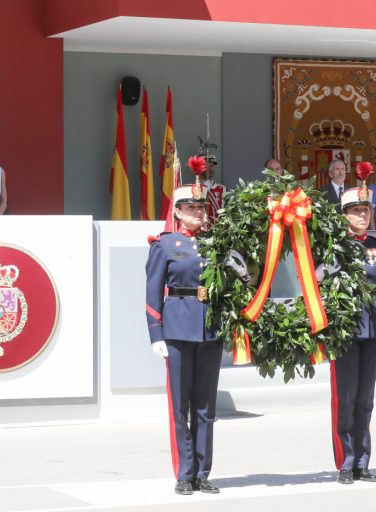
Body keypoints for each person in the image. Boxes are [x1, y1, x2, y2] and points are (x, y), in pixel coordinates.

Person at [145, 177, 223, 496]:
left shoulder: (215, 243)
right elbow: (152, 290)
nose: (197, 212)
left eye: (200, 207)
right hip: (177, 329)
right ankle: (184, 471)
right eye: (190, 207)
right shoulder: (164, 244)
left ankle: (203, 472)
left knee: (205, 405)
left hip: (209, 329)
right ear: (177, 212)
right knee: (181, 405)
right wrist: (155, 333)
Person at [331, 184, 376, 484]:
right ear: (344, 215)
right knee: (346, 397)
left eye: (366, 210)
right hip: (345, 329)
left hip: (375, 330)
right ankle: (345, 461)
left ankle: (363, 462)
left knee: (366, 399)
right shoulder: (334, 246)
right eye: (356, 210)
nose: (362, 215)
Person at [200, 153, 225, 224]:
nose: (209, 169)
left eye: (211, 166)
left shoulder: (222, 189)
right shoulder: (195, 189)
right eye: (205, 166)